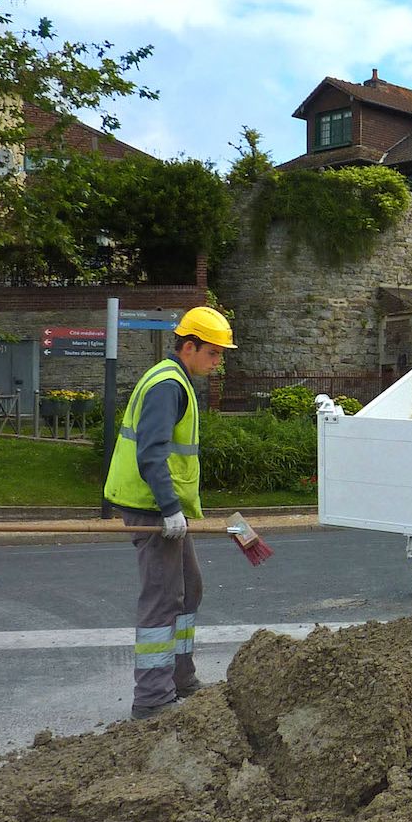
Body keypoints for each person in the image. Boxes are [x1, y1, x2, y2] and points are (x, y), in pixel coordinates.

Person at [104, 306, 236, 720]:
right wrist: (169, 509)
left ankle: (181, 678)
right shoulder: (167, 385)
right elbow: (151, 453)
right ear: (190, 346)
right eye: (213, 354)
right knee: (163, 598)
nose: (217, 363)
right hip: (151, 508)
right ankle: (152, 699)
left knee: (189, 587)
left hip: (160, 509)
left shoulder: (175, 379)